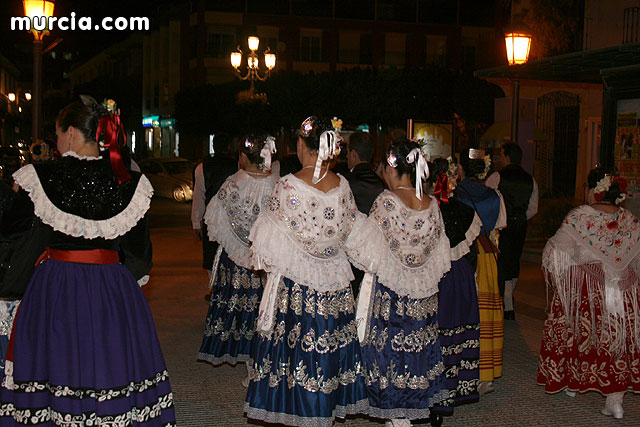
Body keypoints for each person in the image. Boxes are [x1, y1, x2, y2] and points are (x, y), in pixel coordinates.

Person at [0, 97, 175, 425]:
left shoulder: (39, 176)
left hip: (56, 285)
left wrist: (11, 287)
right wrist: (118, 283)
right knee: (110, 360)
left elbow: (14, 235)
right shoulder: (130, 181)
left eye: (57, 133)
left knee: (56, 362)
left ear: (68, 133)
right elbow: (139, 256)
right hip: (111, 286)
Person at [244, 116, 369, 426]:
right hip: (335, 287)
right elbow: (353, 237)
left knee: (296, 351)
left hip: (297, 288)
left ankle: (298, 411)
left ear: (301, 144)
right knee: (327, 348)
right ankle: (322, 409)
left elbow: (264, 253)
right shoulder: (342, 186)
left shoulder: (287, 185)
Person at [346, 140, 451, 426]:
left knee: (390, 350)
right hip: (422, 293)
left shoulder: (387, 202)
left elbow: (368, 251)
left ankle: (397, 414)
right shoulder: (432, 205)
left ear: (392, 168)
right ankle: (411, 404)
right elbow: (440, 252)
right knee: (418, 348)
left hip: (392, 292)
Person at [537, 168, 639, 420]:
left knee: (580, 332)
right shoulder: (630, 219)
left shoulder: (580, 216)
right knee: (617, 339)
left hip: (587, 290)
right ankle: (615, 400)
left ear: (595, 189)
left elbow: (555, 252)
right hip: (623, 292)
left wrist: (566, 274)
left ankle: (574, 382)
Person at [197, 133, 279, 376]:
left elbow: (213, 219)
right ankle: (262, 363)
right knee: (264, 311)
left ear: (243, 156)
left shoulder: (232, 183)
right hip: (267, 262)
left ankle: (249, 363)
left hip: (235, 262)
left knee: (242, 309)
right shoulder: (278, 185)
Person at [428, 157, 482, 416]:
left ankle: (431, 394)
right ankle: (452, 389)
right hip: (458, 275)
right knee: (455, 330)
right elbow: (471, 253)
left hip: (435, 275)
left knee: (435, 332)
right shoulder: (464, 210)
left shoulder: (423, 209)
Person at [455, 148, 506, 395]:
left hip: (464, 255)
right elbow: (498, 226)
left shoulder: (456, 193)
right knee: (487, 314)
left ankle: (466, 369)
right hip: (487, 253)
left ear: (462, 168)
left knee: (466, 312)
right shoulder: (494, 195)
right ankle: (486, 375)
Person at [486, 143, 538, 320]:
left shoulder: (497, 176)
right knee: (514, 260)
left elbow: (487, 200)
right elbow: (533, 208)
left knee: (501, 262)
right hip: (520, 225)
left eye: (501, 155)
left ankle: (504, 302)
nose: (500, 158)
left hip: (501, 227)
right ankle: (508, 301)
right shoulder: (530, 180)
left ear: (507, 157)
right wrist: (521, 217)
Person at [191, 133, 237, 295]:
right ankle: (227, 289)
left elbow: (199, 196)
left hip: (211, 220)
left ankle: (215, 290)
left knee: (211, 257)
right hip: (232, 219)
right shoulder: (237, 165)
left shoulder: (202, 167)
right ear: (229, 147)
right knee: (230, 255)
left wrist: (196, 222)